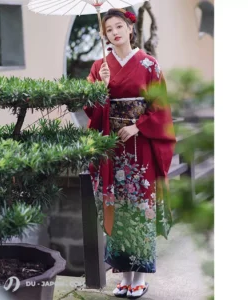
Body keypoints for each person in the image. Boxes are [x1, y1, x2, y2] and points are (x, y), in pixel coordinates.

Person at [84, 8, 176, 299]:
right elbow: (91, 108)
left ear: (130, 28)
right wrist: (100, 88)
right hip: (113, 149)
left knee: (139, 211)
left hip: (141, 148)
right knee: (118, 211)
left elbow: (160, 107)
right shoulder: (100, 66)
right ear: (105, 35)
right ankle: (123, 277)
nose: (115, 32)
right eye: (109, 29)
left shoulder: (149, 64)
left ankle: (139, 277)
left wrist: (138, 125)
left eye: (119, 26)